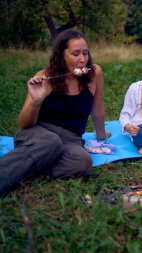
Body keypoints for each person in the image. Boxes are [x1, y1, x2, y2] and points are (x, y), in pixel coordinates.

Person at [0, 30, 110, 196]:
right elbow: (24, 124)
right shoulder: (45, 78)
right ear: (61, 55)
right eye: (75, 54)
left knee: (83, 162)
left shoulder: (94, 74)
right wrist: (36, 102)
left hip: (70, 139)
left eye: (85, 53)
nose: (82, 59)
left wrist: (101, 135)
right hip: (38, 134)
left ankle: (27, 169)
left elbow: (97, 108)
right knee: (51, 142)